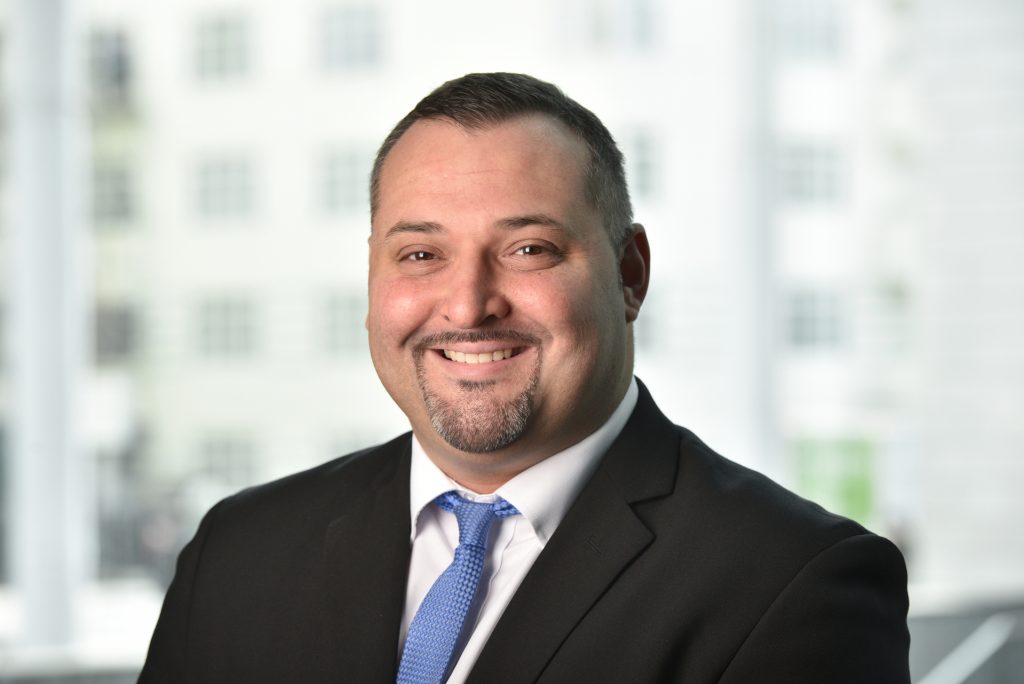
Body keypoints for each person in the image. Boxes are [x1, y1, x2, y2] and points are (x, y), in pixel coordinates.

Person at [140, 72, 910, 683]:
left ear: (630, 274)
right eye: (420, 255)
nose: (468, 304)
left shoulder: (796, 582)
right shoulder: (239, 553)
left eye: (529, 250)